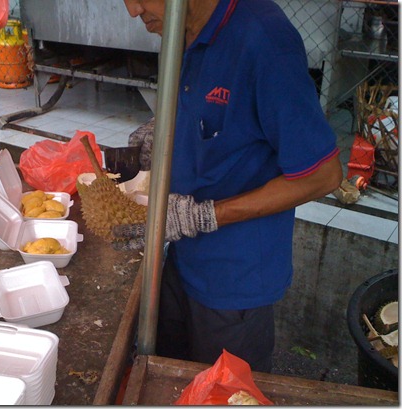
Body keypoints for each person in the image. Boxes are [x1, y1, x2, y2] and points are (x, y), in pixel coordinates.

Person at [115, 0, 343, 373]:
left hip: (234, 282)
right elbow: (210, 112)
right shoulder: (183, 27)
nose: (133, 10)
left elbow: (325, 175)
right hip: (180, 257)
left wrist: (203, 216)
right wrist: (165, 128)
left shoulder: (265, 42)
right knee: (166, 378)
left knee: (225, 392)